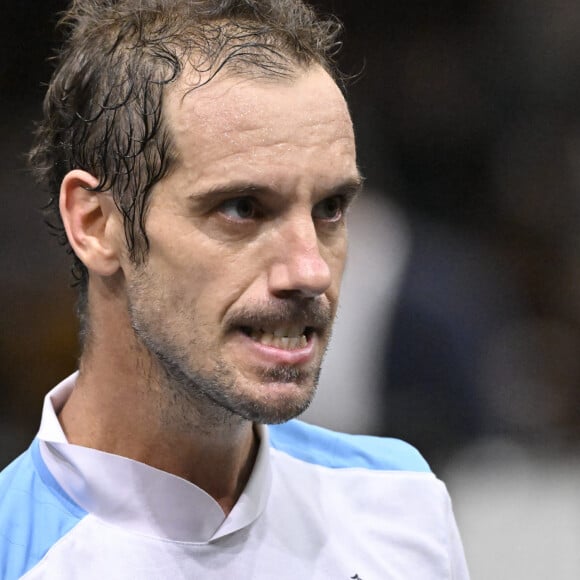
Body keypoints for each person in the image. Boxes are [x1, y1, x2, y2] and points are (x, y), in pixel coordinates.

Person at [0, 0, 469, 578]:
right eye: (242, 208)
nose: (310, 271)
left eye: (330, 208)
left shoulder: (402, 505)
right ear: (97, 225)